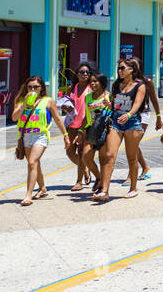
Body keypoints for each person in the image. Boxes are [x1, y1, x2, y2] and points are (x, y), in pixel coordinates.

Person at [93, 58, 148, 202]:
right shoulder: (117, 84)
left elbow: (137, 104)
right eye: (119, 68)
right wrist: (108, 104)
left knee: (131, 157)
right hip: (116, 122)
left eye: (123, 68)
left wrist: (129, 114)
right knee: (109, 155)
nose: (120, 71)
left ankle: (133, 188)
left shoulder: (140, 86)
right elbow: (114, 104)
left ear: (131, 70)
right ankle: (104, 190)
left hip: (132, 123)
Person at [11, 75, 68, 207]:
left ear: (41, 88)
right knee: (35, 164)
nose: (32, 89)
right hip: (25, 136)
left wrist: (65, 135)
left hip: (40, 135)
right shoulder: (21, 100)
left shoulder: (48, 101)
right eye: (30, 87)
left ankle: (28, 195)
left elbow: (58, 119)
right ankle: (42, 188)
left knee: (32, 162)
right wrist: (24, 104)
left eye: (36, 87)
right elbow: (14, 117)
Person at [78, 71, 112, 192]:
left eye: (95, 81)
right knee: (86, 157)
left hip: (104, 131)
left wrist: (110, 106)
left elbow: (114, 112)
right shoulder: (88, 97)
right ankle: (98, 177)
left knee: (103, 159)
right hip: (90, 130)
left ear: (101, 82)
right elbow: (86, 115)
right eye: (90, 81)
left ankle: (103, 185)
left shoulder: (108, 96)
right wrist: (81, 131)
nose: (92, 84)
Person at [63, 68, 92, 190]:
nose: (85, 74)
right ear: (77, 74)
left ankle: (79, 182)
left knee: (81, 153)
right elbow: (67, 103)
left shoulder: (92, 87)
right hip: (71, 124)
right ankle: (85, 168)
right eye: (82, 72)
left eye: (87, 72)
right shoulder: (72, 87)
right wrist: (65, 107)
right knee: (70, 152)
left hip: (85, 125)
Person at [133, 61, 163, 180]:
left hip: (143, 114)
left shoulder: (147, 82)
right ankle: (145, 166)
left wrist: (159, 118)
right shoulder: (126, 83)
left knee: (134, 143)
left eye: (135, 65)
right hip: (129, 115)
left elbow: (154, 100)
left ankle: (132, 174)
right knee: (132, 144)